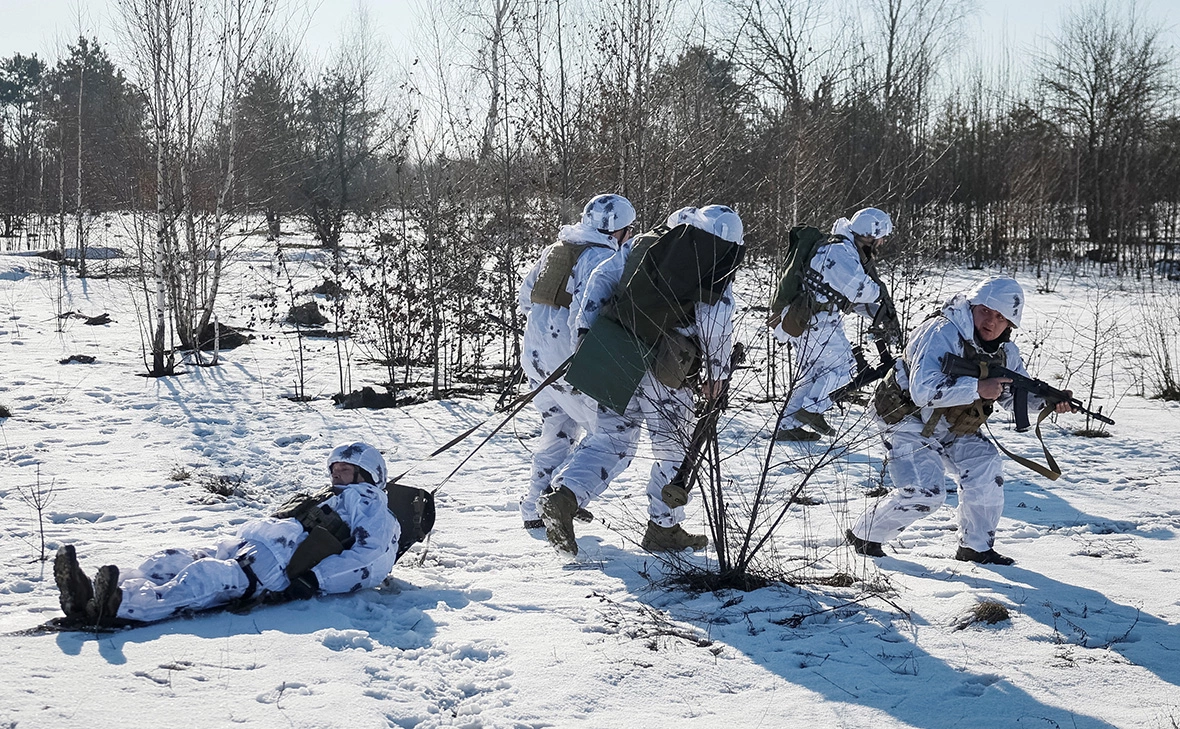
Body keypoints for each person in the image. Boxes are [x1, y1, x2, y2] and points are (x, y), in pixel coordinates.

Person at [539, 205, 744, 555]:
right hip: (669, 366)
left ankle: (565, 496)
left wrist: (586, 334)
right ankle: (663, 528)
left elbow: (601, 277)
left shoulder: (648, 242)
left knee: (613, 438)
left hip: (617, 346)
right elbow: (716, 323)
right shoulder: (714, 260)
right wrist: (718, 374)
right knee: (673, 449)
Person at [845, 277, 1076, 565]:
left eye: (1001, 317)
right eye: (986, 312)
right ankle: (865, 533)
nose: (991, 322)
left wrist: (1048, 403)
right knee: (926, 492)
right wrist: (977, 389)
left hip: (949, 424)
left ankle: (976, 547)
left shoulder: (1006, 353)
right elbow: (922, 391)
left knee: (986, 464)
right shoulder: (941, 332)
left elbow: (1011, 397)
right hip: (905, 419)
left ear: (1010, 325)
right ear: (972, 307)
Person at [53, 442, 401, 626]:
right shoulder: (330, 498)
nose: (337, 475)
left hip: (273, 569)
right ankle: (95, 591)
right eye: (335, 468)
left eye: (347, 469)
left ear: (369, 475)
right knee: (169, 559)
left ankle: (121, 605)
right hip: (244, 548)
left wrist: (314, 580)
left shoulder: (368, 501)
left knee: (204, 577)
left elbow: (372, 557)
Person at [516, 194, 637, 530]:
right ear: (620, 231)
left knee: (558, 425)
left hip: (535, 355)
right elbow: (585, 317)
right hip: (566, 360)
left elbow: (526, 299)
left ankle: (536, 505)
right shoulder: (602, 259)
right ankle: (564, 495)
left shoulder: (558, 248)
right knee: (614, 434)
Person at [771, 207, 893, 441]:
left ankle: (786, 427)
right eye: (881, 237)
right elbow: (859, 289)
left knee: (810, 376)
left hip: (812, 319)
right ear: (871, 233)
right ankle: (812, 409)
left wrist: (877, 313)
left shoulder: (841, 247)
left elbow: (841, 294)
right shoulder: (839, 251)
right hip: (816, 322)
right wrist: (879, 292)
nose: (882, 242)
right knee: (847, 368)